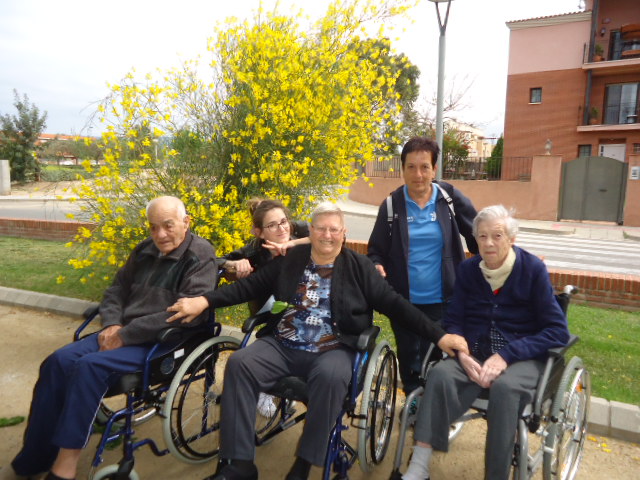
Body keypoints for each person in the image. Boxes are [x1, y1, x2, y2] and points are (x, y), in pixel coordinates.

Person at [167, 202, 469, 480]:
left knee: (331, 376)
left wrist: (439, 335)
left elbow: (395, 305)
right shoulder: (291, 260)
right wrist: (204, 301)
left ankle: (303, 464)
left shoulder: (359, 267)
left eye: (334, 229)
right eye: (321, 229)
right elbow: (248, 287)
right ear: (309, 231)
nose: (327, 235)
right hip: (283, 344)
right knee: (240, 363)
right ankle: (240, 463)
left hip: (333, 348)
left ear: (344, 233)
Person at [8, 196, 217, 480]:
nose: (160, 235)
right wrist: (112, 323)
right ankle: (35, 457)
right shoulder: (144, 250)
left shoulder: (200, 255)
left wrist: (126, 334)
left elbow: (183, 314)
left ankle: (65, 465)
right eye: (153, 227)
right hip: (120, 329)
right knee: (57, 362)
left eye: (168, 225)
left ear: (186, 222)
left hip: (163, 341)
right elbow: (116, 290)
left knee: (88, 367)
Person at [400, 205, 570, 480]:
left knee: (505, 388)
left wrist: (506, 356)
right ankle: (419, 465)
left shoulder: (532, 270)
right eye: (482, 236)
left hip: (522, 358)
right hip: (475, 353)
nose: (489, 243)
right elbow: (454, 319)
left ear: (511, 239)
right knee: (441, 374)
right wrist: (461, 353)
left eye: (497, 235)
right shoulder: (468, 270)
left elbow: (557, 331)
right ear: (475, 239)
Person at [367, 136, 479, 399]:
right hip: (404, 301)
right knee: (409, 357)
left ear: (434, 169)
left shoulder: (448, 198)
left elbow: (478, 235)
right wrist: (377, 265)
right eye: (411, 167)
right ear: (403, 169)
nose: (418, 175)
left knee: (439, 355)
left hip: (444, 299)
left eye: (424, 167)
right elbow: (375, 250)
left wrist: (500, 257)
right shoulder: (392, 205)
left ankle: (434, 403)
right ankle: (413, 401)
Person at [218, 198, 310, 417]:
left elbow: (327, 237)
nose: (282, 229)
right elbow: (218, 261)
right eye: (272, 225)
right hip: (270, 307)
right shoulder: (254, 251)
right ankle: (264, 387)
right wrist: (233, 264)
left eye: (283, 222)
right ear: (258, 232)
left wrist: (292, 245)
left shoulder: (299, 230)